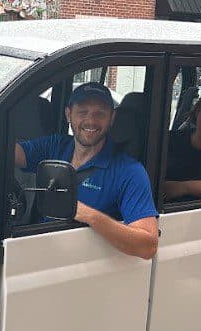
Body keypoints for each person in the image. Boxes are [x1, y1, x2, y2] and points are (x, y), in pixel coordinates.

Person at [14, 82, 158, 260]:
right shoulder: (55, 146)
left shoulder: (130, 172)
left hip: (86, 265)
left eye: (100, 113)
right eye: (82, 112)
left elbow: (148, 246)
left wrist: (88, 215)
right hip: (39, 253)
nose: (90, 121)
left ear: (112, 118)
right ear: (69, 114)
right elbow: (11, 153)